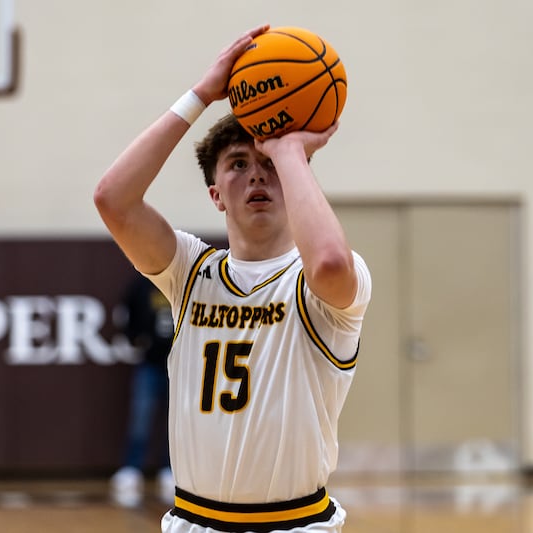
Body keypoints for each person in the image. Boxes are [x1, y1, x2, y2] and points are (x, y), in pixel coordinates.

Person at [94, 24, 371, 533]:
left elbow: (330, 264)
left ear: (296, 178)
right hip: (195, 522)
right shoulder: (189, 271)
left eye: (268, 164)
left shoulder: (317, 282)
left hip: (294, 525)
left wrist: (288, 150)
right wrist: (201, 94)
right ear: (216, 195)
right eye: (238, 164)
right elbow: (112, 199)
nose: (257, 175)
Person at [110, 272, 174, 507]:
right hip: (149, 363)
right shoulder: (141, 284)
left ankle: (170, 470)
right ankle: (131, 468)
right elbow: (124, 314)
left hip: (179, 364)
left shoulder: (182, 279)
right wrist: (135, 338)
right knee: (141, 417)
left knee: (176, 422)